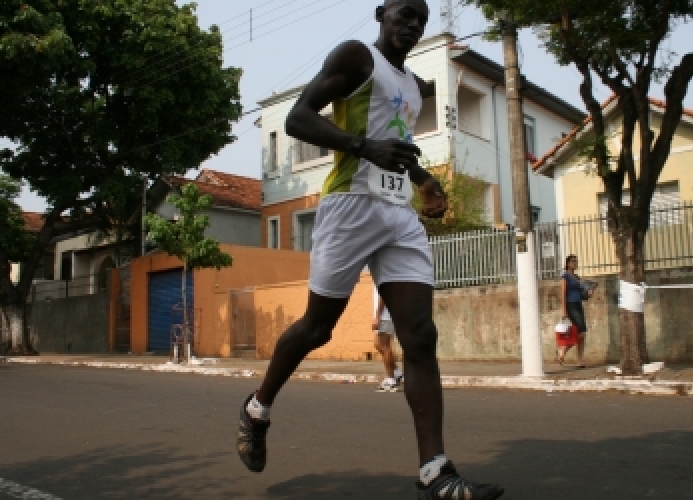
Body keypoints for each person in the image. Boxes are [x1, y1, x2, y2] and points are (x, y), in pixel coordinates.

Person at [235, 1, 504, 497]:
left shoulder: (411, 84)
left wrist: (424, 180)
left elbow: (394, 145)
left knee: (420, 335)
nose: (413, 23)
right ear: (381, 14)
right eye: (405, 13)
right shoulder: (357, 58)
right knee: (317, 329)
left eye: (421, 19)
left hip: (397, 214)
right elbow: (298, 119)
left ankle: (436, 470)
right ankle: (257, 408)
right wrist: (361, 147)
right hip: (349, 205)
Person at [558, 254, 592, 367]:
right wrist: (564, 310)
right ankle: (563, 349)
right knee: (581, 333)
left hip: (578, 304)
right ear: (567, 263)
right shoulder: (565, 276)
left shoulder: (577, 278)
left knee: (582, 333)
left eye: (576, 261)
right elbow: (562, 294)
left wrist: (588, 294)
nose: (575, 263)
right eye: (572, 261)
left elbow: (581, 294)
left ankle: (579, 360)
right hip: (570, 305)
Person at [373, 286, 404, 392]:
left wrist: (378, 316)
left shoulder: (383, 277)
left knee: (384, 346)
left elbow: (384, 295)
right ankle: (396, 372)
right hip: (385, 316)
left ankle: (391, 380)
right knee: (378, 344)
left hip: (385, 317)